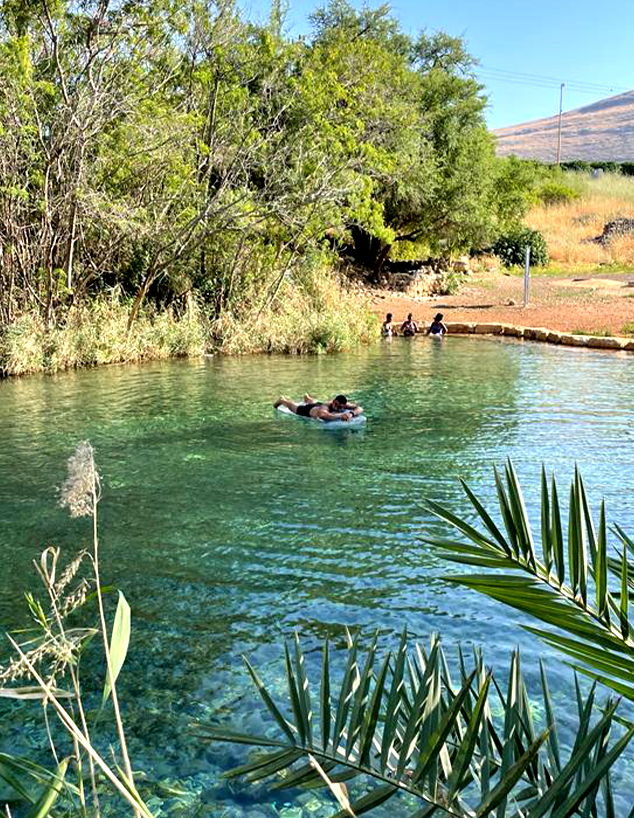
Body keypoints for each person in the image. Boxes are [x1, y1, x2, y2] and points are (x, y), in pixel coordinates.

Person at [274, 394, 363, 421]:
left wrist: (351, 413)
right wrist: (341, 415)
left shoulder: (344, 404)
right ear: (333, 401)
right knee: (293, 407)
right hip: (308, 410)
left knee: (316, 403)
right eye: (335, 404)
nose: (337, 408)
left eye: (340, 407)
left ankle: (307, 398)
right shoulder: (325, 408)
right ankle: (282, 400)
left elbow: (360, 408)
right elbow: (323, 415)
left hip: (317, 405)